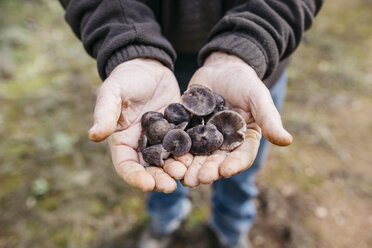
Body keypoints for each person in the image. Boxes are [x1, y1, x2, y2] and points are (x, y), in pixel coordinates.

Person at [59, 0, 323, 247]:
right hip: (157, 52)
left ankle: (231, 229)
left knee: (241, 172)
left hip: (255, 59)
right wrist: (129, 47)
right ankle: (164, 221)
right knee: (164, 176)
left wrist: (249, 46)